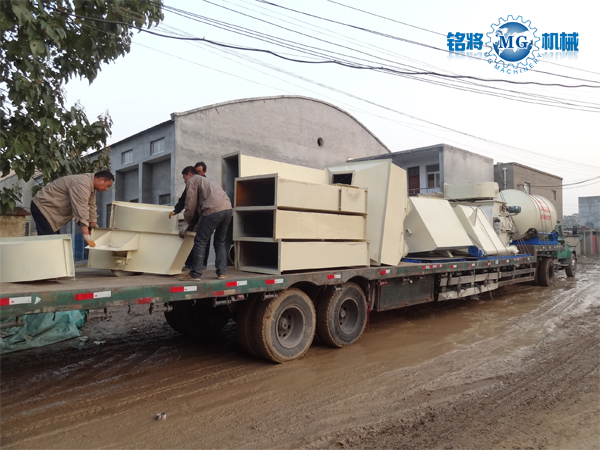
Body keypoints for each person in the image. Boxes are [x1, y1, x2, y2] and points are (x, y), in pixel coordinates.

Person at [31, 171, 114, 245]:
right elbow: (81, 208)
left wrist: (93, 224)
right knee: (50, 242)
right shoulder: (82, 184)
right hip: (43, 206)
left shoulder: (90, 185)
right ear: (101, 180)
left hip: (51, 211)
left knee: (55, 241)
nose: (107, 189)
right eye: (108, 186)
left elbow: (91, 205)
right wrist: (86, 234)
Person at [178, 166, 232, 280]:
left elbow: (190, 203)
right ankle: (222, 273)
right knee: (220, 242)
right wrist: (197, 226)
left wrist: (186, 222)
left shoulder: (192, 180)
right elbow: (202, 211)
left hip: (213, 210)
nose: (184, 181)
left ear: (189, 174)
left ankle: (195, 274)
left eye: (184, 177)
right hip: (227, 209)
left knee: (200, 241)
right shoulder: (208, 181)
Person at [169, 161, 210, 269]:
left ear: (204, 172)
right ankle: (189, 263)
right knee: (189, 237)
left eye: (199, 172)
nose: (197, 174)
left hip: (205, 214)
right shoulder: (191, 183)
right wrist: (176, 211)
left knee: (204, 239)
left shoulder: (208, 184)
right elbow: (185, 200)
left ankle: (202, 264)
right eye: (196, 171)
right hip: (194, 215)